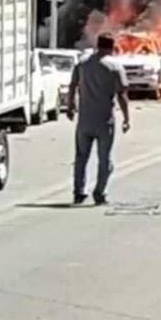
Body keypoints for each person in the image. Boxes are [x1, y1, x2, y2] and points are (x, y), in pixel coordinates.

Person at [66, 33, 131, 205]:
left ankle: (79, 192)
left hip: (85, 120)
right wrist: (126, 118)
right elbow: (122, 95)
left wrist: (70, 106)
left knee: (81, 157)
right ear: (111, 46)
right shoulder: (115, 66)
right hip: (105, 121)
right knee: (105, 159)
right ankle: (99, 193)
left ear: (98, 45)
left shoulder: (83, 63)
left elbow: (73, 85)